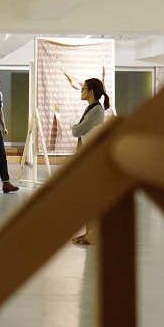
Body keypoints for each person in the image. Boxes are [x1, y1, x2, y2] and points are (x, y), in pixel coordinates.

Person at [70, 78, 111, 246]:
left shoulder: (96, 110)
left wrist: (74, 127)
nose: (81, 91)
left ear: (91, 92)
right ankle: (89, 233)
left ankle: (92, 235)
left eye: (83, 89)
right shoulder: (92, 108)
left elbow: (77, 130)